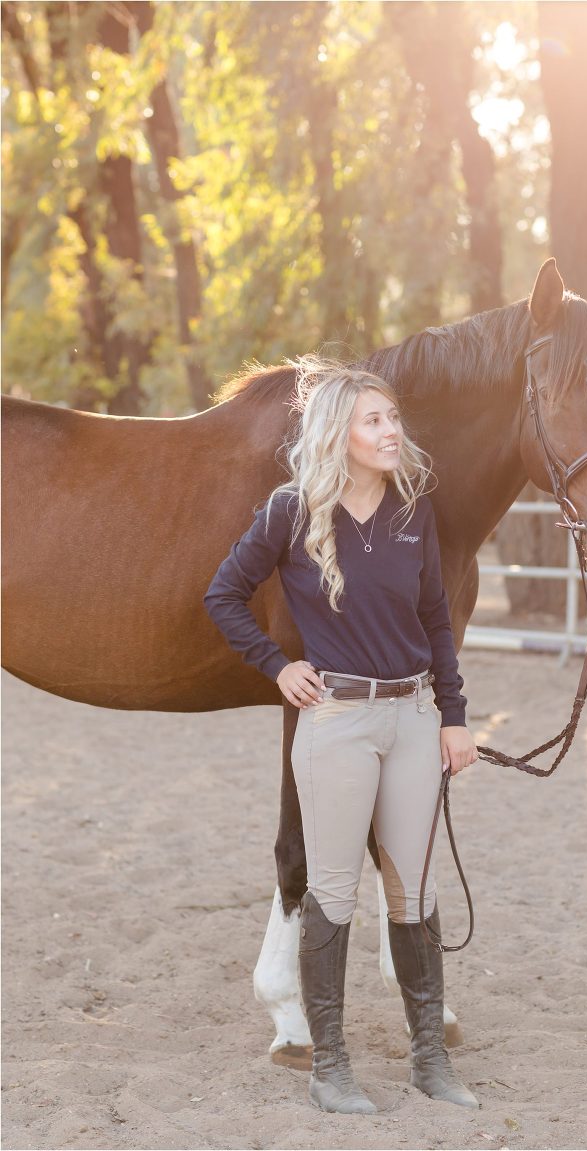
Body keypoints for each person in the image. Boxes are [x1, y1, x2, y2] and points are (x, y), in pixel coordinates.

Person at [204, 358, 479, 1114]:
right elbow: (222, 593)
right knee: (331, 893)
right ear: (339, 434)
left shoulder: (413, 511)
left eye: (394, 419)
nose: (392, 431)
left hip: (413, 720)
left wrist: (453, 716)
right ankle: (331, 1066)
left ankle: (431, 1062)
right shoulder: (291, 511)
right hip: (337, 725)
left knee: (415, 892)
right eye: (374, 421)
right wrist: (276, 664)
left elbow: (436, 623)